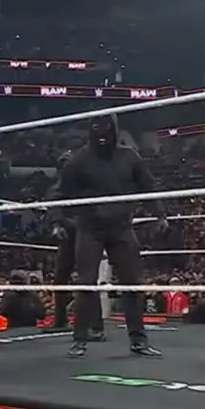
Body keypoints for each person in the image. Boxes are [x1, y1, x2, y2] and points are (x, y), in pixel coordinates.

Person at [58, 114, 165, 358]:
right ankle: (79, 339)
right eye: (98, 128)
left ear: (115, 129)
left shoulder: (129, 157)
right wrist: (59, 220)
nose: (102, 134)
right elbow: (62, 193)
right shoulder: (78, 160)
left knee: (132, 282)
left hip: (121, 226)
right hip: (90, 227)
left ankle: (138, 340)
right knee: (86, 282)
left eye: (106, 128)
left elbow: (147, 186)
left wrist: (159, 214)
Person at [49, 150, 77, 329]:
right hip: (69, 235)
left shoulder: (85, 186)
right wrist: (58, 224)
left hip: (88, 234)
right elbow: (54, 207)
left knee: (87, 278)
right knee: (60, 277)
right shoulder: (57, 188)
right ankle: (60, 319)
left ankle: (91, 321)